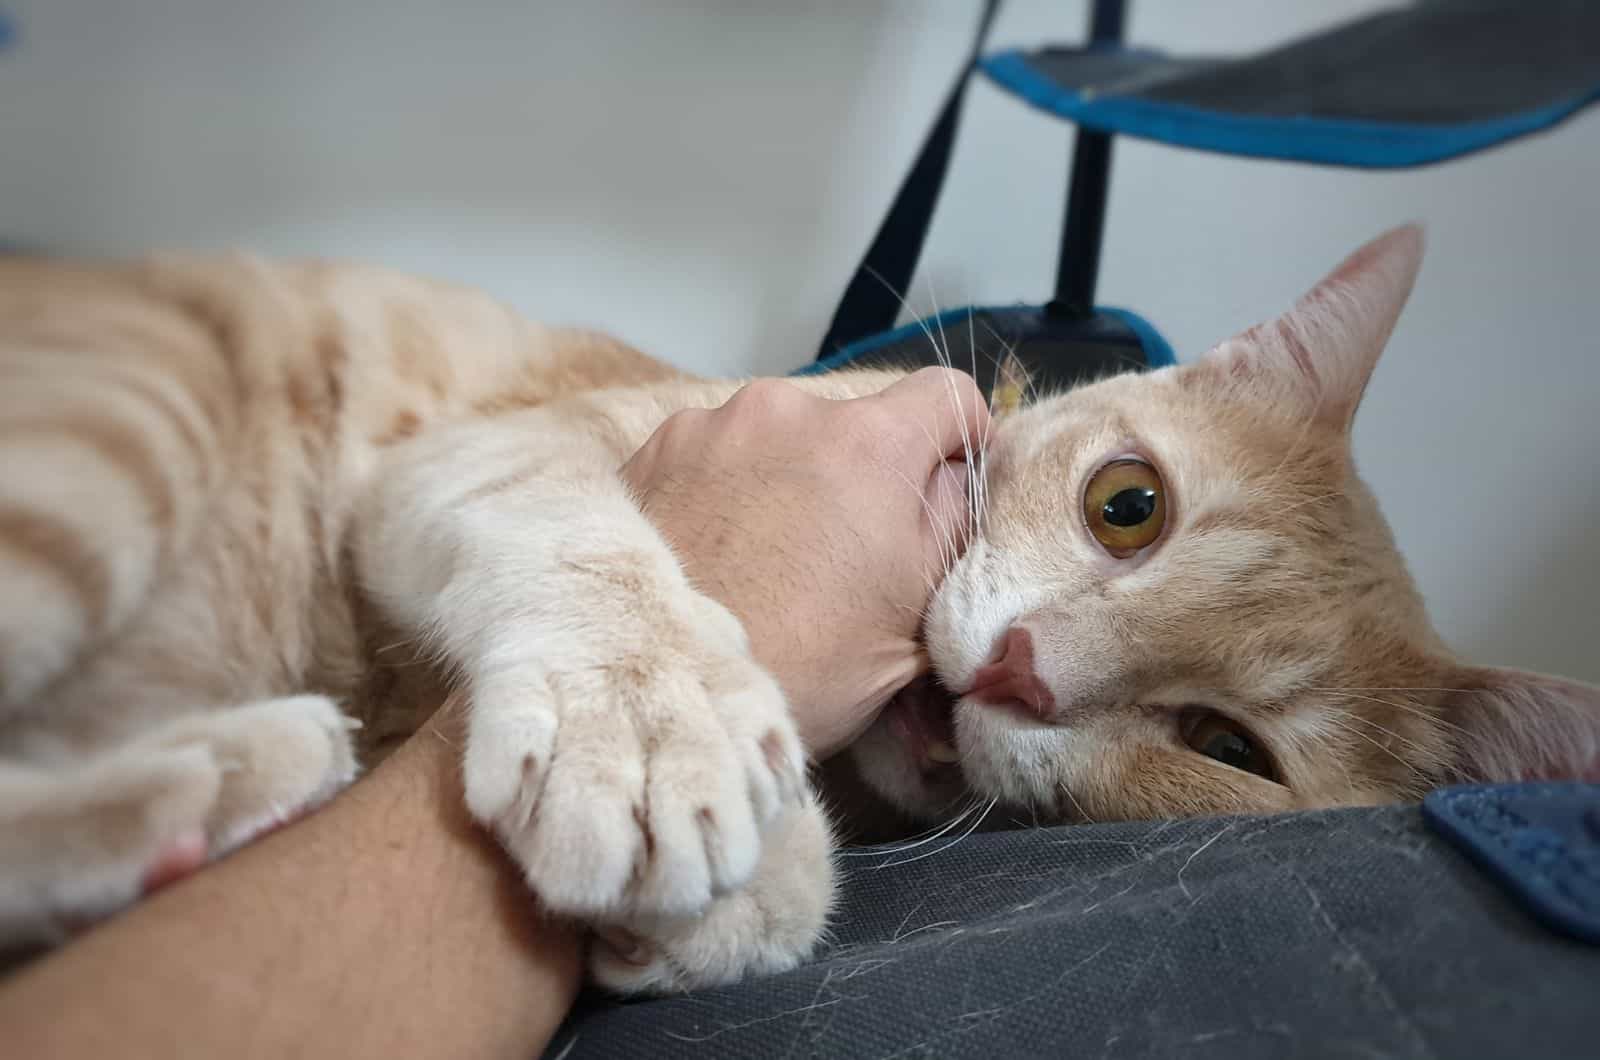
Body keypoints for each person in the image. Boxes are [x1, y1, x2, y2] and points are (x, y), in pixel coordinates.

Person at [0, 368, 990, 1060]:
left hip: (211, 711)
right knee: (102, 476)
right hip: (263, 412)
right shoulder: (849, 433)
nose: (1037, 673)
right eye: (1127, 506)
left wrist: (723, 832)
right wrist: (622, 624)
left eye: (1159, 734)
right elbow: (433, 479)